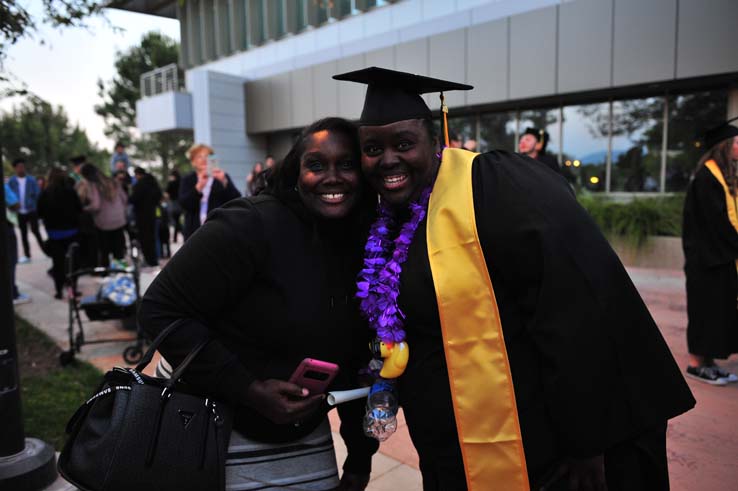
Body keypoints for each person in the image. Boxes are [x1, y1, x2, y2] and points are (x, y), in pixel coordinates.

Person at [334, 67, 695, 491]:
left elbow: (577, 304)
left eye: (404, 143)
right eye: (373, 148)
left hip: (534, 445)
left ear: (436, 140)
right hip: (447, 449)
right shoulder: (387, 218)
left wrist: (590, 438)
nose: (388, 159)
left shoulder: (496, 185)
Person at [138, 118, 379, 490]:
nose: (333, 177)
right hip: (216, 430)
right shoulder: (248, 225)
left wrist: (360, 460)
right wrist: (248, 389)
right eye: (316, 165)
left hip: (303, 436)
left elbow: (352, 358)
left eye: (347, 164)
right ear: (294, 172)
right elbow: (159, 309)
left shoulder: (365, 242)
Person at [682, 119, 738, 385]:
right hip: (706, 259)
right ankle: (696, 364)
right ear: (724, 147)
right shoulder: (706, 176)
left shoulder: (722, 175)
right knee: (705, 312)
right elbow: (716, 222)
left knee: (718, 312)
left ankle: (710, 362)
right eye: (737, 142)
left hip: (719, 258)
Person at [179, 143, 241, 240]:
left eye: (207, 156)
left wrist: (224, 182)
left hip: (218, 229)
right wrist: (198, 187)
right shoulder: (188, 179)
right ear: (193, 161)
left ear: (212, 159)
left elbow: (236, 200)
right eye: (199, 156)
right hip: (194, 231)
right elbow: (184, 204)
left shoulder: (221, 177)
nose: (204, 159)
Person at [38, 168, 82, 300]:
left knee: (58, 263)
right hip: (72, 233)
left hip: (54, 234)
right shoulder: (70, 192)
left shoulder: (45, 194)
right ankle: (72, 289)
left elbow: (40, 213)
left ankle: (59, 291)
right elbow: (79, 209)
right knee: (73, 262)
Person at [77, 164, 128, 264]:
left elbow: (96, 205)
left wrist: (84, 209)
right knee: (119, 250)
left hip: (104, 223)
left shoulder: (93, 185)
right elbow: (125, 199)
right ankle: (121, 271)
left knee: (104, 251)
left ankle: (105, 273)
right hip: (119, 220)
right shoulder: (113, 181)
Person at [7, 157, 44, 263]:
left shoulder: (31, 180)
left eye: (22, 167)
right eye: (19, 167)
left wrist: (34, 204)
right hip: (20, 212)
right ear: (15, 169)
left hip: (31, 210)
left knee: (36, 231)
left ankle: (46, 251)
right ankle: (27, 255)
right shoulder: (12, 181)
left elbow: (37, 194)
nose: (21, 169)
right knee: (23, 234)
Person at [4, 182, 31, 305]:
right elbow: (15, 204)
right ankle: (12, 293)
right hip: (5, 228)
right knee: (9, 261)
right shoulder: (4, 187)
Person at [129, 167, 162, 267]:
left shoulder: (139, 185)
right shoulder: (153, 183)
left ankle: (148, 260)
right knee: (152, 238)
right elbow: (159, 196)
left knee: (144, 239)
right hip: (152, 213)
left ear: (138, 174)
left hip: (141, 215)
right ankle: (154, 260)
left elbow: (133, 199)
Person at [164, 169, 182, 243]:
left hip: (173, 203)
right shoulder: (181, 182)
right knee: (177, 220)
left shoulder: (171, 183)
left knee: (175, 221)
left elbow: (166, 194)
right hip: (181, 203)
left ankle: (180, 234)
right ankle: (175, 237)